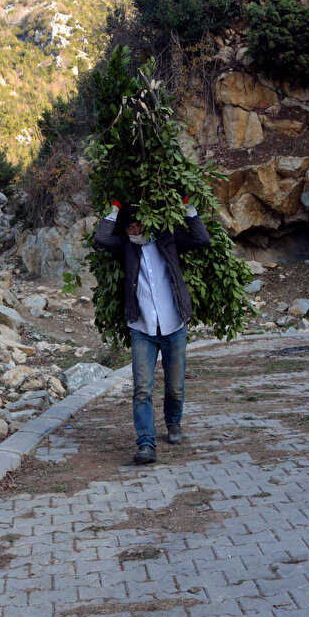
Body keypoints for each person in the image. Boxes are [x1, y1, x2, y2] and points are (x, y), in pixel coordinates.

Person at [93, 198, 211, 464]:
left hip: (174, 326)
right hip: (142, 328)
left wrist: (187, 209)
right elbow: (101, 240)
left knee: (176, 387)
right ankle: (146, 444)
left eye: (139, 226)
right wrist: (114, 210)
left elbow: (202, 239)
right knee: (142, 388)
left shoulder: (167, 240)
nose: (135, 231)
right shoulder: (125, 247)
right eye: (130, 228)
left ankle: (173, 423)